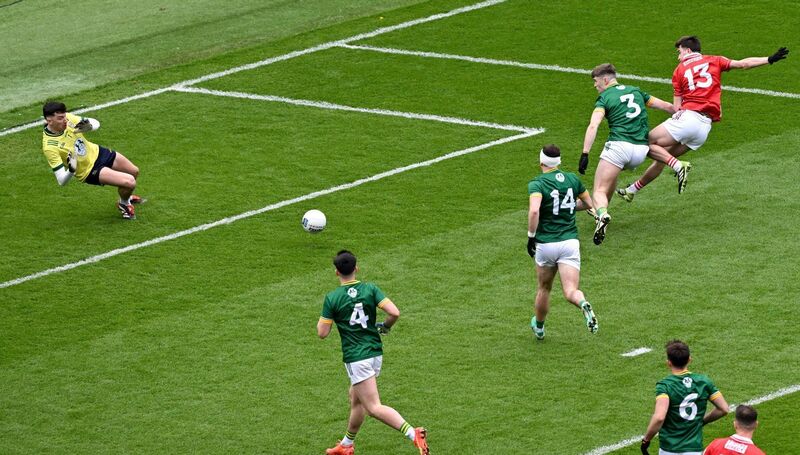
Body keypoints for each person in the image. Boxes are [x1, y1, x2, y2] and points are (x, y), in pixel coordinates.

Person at [618, 37, 789, 201]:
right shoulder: (715, 60)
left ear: (688, 50)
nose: (678, 56)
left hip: (689, 118)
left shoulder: (679, 70)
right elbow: (743, 64)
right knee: (663, 157)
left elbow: (677, 108)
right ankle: (631, 190)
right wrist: (769, 59)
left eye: (679, 51)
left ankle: (677, 166)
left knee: (644, 142)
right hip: (703, 130)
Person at [317, 250, 429, 455]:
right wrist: (385, 327)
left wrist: (331, 316)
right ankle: (346, 445)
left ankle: (414, 434)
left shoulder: (332, 298)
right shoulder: (370, 289)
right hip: (375, 353)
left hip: (357, 358)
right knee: (355, 397)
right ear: (356, 268)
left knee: (373, 407)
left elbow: (322, 333)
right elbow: (394, 312)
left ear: (336, 272)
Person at [579, 63, 679, 245]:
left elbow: (594, 125)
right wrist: (685, 115)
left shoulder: (604, 98)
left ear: (605, 79)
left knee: (599, 189)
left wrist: (585, 153)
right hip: (641, 151)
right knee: (609, 182)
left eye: (595, 81)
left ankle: (601, 214)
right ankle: (599, 213)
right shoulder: (636, 91)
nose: (595, 86)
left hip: (619, 147)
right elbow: (665, 106)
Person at [527, 144, 598, 339]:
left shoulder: (537, 183)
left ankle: (539, 327)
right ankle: (582, 302)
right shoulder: (572, 179)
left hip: (546, 243)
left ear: (541, 161)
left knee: (544, 288)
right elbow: (588, 203)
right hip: (570, 243)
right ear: (559, 162)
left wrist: (530, 236)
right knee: (571, 291)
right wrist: (567, 207)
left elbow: (534, 211)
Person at [41, 101, 143, 219]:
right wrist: (72, 169)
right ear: (49, 120)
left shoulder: (67, 118)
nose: (65, 120)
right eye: (60, 118)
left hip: (98, 152)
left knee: (134, 171)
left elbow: (95, 123)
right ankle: (124, 204)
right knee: (129, 182)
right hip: (89, 170)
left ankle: (126, 197)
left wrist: (88, 127)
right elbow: (61, 181)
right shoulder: (50, 147)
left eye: (64, 116)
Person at [641, 340, 730, 455]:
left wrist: (646, 439)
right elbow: (724, 409)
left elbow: (659, 417)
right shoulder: (703, 382)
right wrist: (702, 421)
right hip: (694, 448)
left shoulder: (665, 385)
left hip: (669, 449)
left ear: (669, 363)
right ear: (689, 360)